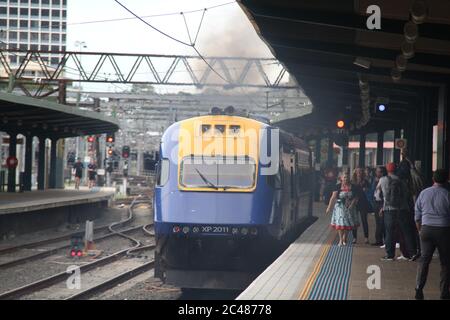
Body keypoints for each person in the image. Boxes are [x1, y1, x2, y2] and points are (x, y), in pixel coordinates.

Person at [414, 169, 450, 300]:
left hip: (426, 229)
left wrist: (420, 230)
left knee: (424, 260)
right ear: (447, 180)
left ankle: (418, 288)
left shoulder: (424, 193)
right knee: (445, 262)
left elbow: (417, 214)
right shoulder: (447, 194)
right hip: (444, 230)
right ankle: (444, 292)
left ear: (433, 179)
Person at [377, 162, 417, 261]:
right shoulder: (402, 181)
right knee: (406, 232)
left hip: (389, 210)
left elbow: (377, 195)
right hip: (402, 209)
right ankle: (412, 253)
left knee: (389, 232)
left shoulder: (382, 180)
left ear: (387, 170)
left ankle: (390, 255)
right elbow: (407, 194)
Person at [326, 172, 359, 247]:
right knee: (340, 223)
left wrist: (352, 204)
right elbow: (333, 197)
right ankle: (340, 239)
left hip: (350, 208)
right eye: (344, 177)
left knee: (347, 223)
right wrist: (329, 207)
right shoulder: (337, 186)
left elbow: (356, 197)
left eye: (347, 177)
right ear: (341, 178)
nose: (345, 179)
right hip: (340, 208)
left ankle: (345, 237)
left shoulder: (353, 187)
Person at [351, 168, 371, 244]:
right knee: (354, 221)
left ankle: (366, 237)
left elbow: (370, 190)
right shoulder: (353, 182)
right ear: (355, 173)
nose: (359, 173)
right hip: (355, 203)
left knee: (364, 220)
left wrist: (366, 190)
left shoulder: (365, 181)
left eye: (360, 171)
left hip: (363, 202)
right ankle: (354, 237)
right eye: (357, 171)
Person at [372, 166, 387, 246]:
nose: (376, 173)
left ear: (382, 172)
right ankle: (378, 240)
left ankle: (383, 240)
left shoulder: (385, 180)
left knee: (382, 222)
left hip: (381, 202)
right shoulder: (375, 180)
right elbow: (373, 190)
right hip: (376, 202)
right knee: (378, 222)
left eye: (378, 172)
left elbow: (385, 194)